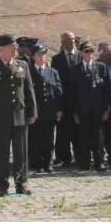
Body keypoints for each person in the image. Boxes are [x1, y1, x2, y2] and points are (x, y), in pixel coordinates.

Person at [0, 34, 37, 196]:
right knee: (2, 153)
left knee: (21, 153)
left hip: (20, 115)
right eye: (11, 46)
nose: (15, 49)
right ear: (1, 49)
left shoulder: (22, 65)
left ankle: (22, 183)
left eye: (15, 46)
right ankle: (2, 185)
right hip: (1, 117)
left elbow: (29, 91)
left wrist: (32, 112)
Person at [75, 42, 111, 172]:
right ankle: (84, 163)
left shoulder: (101, 67)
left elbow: (107, 89)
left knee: (98, 137)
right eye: (86, 51)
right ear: (81, 53)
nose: (89, 54)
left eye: (91, 51)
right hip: (82, 110)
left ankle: (99, 162)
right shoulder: (75, 70)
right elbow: (72, 93)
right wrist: (75, 112)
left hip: (98, 109)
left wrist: (107, 108)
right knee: (84, 136)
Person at [28, 44, 62, 173]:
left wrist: (59, 109)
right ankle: (37, 163)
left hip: (49, 111)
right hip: (35, 112)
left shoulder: (52, 72)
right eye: (39, 55)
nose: (42, 57)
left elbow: (58, 92)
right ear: (33, 56)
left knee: (49, 139)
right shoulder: (28, 72)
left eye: (43, 54)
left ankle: (48, 163)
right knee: (35, 139)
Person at [51, 31, 81, 168]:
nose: (71, 42)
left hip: (79, 100)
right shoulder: (57, 59)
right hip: (64, 100)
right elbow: (56, 81)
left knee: (78, 130)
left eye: (73, 39)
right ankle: (64, 158)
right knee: (63, 131)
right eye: (68, 40)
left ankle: (80, 156)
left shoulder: (81, 56)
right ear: (62, 42)